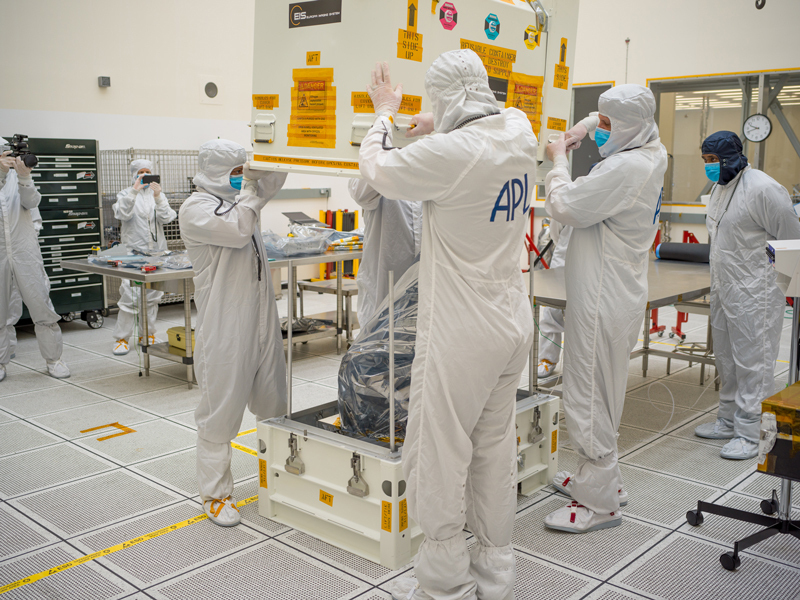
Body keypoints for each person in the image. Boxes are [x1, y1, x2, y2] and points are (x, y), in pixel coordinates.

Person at [359, 51, 536, 600]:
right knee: (493, 452)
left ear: (447, 101)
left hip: (464, 331)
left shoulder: (453, 153)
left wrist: (384, 114)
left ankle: (445, 587)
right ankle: (494, 575)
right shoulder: (520, 130)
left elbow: (379, 170)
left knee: (436, 455)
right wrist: (438, 118)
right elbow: (477, 119)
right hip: (511, 320)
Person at [543, 84, 668, 533]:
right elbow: (608, 120)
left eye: (608, 125)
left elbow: (565, 204)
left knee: (588, 392)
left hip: (601, 294)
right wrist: (584, 126)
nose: (601, 132)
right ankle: (604, 482)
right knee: (604, 388)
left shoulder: (626, 166)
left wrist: (559, 159)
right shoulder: (653, 148)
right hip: (620, 287)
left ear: (630, 127)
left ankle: (597, 505)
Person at [179, 140, 288, 526]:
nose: (243, 178)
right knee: (220, 412)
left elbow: (275, 178)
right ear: (214, 171)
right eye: (237, 171)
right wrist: (252, 188)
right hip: (225, 328)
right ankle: (215, 494)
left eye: (244, 171)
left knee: (274, 403)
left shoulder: (240, 198)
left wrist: (270, 148)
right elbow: (241, 230)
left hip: (262, 319)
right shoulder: (196, 208)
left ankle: (278, 479)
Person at [694, 131, 800, 459]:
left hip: (757, 292)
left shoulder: (764, 188)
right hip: (725, 289)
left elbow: (791, 239)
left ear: (732, 157)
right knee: (727, 358)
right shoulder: (719, 189)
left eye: (714, 161)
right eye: (706, 162)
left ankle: (752, 432)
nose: (710, 168)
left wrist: (789, 288)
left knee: (755, 363)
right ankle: (728, 419)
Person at [0, 151, 70, 382]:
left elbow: (31, 202)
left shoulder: (19, 176)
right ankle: (1, 363)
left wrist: (24, 178)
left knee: (41, 303)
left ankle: (54, 360)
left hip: (25, 250)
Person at [111, 159, 177, 355]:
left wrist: (158, 197)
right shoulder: (125, 194)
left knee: (152, 296)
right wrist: (134, 191)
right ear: (134, 174)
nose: (145, 175)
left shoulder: (158, 195)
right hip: (133, 253)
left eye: (149, 172)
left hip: (157, 253)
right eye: (141, 172)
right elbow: (121, 214)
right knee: (130, 297)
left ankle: (147, 335)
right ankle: (121, 338)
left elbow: (168, 218)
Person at [347, 179, 422, 326]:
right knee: (379, 340)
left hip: (425, 282)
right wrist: (388, 156)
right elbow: (361, 194)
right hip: (383, 284)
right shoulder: (374, 160)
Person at [537, 220, 572, 378]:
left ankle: (578, 362)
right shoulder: (566, 196)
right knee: (552, 309)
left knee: (583, 313)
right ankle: (547, 358)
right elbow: (556, 230)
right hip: (563, 256)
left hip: (593, 259)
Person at [6, 207, 43, 359]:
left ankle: (7, 347)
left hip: (20, 249)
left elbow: (35, 221)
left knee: (12, 299)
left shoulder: (20, 187)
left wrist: (21, 240)